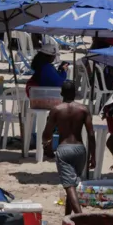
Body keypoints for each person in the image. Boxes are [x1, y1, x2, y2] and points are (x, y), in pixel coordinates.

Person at [43, 81, 95, 216]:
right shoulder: (83, 109)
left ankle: (79, 217)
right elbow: (91, 134)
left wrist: (46, 145)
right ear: (75, 93)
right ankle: (67, 220)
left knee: (69, 186)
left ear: (61, 93)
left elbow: (46, 133)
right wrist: (93, 155)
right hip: (80, 149)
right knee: (71, 185)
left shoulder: (57, 110)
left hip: (64, 149)